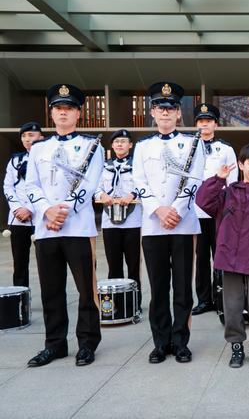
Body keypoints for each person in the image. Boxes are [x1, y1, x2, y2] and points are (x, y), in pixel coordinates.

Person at [25, 84, 104, 367]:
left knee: (86, 289)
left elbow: (90, 183)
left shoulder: (92, 146)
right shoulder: (38, 149)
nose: (63, 113)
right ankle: (55, 344)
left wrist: (63, 211)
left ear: (78, 114)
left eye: (68, 108)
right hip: (46, 228)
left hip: (78, 227)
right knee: (51, 290)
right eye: (58, 108)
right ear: (51, 112)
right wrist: (47, 210)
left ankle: (87, 342)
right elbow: (30, 184)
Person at [132, 82, 205, 364]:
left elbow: (195, 179)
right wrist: (158, 210)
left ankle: (181, 341)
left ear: (178, 114)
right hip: (153, 226)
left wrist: (175, 209)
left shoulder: (192, 143)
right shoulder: (142, 147)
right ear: (152, 112)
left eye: (171, 108)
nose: (165, 112)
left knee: (183, 287)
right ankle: (160, 342)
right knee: (158, 286)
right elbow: (138, 181)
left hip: (183, 224)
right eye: (160, 108)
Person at [195, 143, 249, 368]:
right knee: (232, 307)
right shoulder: (227, 192)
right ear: (241, 165)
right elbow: (202, 201)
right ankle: (236, 347)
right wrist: (218, 179)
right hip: (230, 259)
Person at [191, 102, 238, 316]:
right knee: (200, 258)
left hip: (218, 212)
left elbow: (233, 181)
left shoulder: (226, 149)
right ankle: (203, 300)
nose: (204, 125)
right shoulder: (189, 147)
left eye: (208, 121)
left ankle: (221, 298)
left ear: (215, 124)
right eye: (201, 121)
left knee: (220, 256)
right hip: (195, 212)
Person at [95, 129, 142, 311]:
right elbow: (96, 188)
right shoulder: (104, 167)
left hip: (132, 221)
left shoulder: (137, 166)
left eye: (124, 141)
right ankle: (116, 304)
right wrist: (102, 195)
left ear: (130, 145)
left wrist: (132, 194)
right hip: (109, 221)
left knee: (133, 265)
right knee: (114, 265)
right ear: (112, 145)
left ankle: (134, 303)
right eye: (117, 142)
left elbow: (143, 184)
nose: (120, 144)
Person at [3, 121, 43, 287]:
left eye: (31, 135)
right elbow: (8, 186)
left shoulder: (47, 160)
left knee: (46, 263)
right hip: (19, 218)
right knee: (19, 263)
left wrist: (31, 208)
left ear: (41, 137)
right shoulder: (15, 160)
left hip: (40, 217)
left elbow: (48, 188)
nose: (27, 139)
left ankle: (50, 301)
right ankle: (21, 302)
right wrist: (18, 208)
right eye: (24, 136)